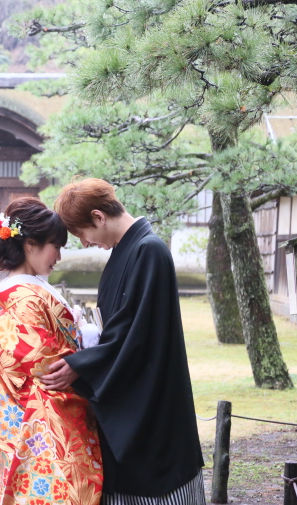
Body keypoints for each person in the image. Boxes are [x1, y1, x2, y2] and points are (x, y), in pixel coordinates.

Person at [40, 178, 205, 504]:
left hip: (153, 399)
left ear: (99, 217)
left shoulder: (149, 251)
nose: (85, 244)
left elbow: (138, 336)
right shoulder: (126, 253)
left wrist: (79, 366)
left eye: (82, 234)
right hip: (134, 389)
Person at [0, 197, 103, 505]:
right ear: (30, 244)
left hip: (42, 416)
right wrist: (89, 347)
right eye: (55, 246)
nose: (58, 256)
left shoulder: (29, 292)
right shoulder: (25, 299)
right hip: (45, 423)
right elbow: (50, 367)